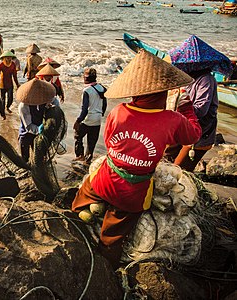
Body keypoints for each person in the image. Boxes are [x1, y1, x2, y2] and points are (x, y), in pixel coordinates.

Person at [71, 50, 202, 268]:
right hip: (133, 193)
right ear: (164, 92)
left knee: (82, 196)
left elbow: (110, 140)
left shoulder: (119, 111)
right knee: (113, 236)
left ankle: (76, 222)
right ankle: (106, 269)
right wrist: (187, 108)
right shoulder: (173, 120)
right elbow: (194, 135)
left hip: (105, 178)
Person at [165, 35, 230, 171]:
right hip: (182, 128)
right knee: (165, 158)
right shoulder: (186, 79)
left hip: (200, 135)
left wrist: (180, 105)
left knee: (178, 169)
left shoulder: (206, 80)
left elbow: (201, 110)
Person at [16, 78, 56, 163]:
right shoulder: (23, 107)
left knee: (39, 158)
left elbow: (55, 102)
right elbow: (29, 126)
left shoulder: (45, 101)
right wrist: (39, 129)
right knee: (24, 159)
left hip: (39, 136)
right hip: (26, 134)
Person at [72, 68, 107, 164]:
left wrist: (78, 121)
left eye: (84, 76)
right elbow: (104, 104)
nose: (83, 78)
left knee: (78, 135)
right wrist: (101, 113)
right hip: (98, 119)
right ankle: (88, 158)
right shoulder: (102, 88)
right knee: (92, 140)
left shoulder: (87, 91)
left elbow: (85, 109)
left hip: (88, 119)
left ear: (87, 78)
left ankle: (80, 155)